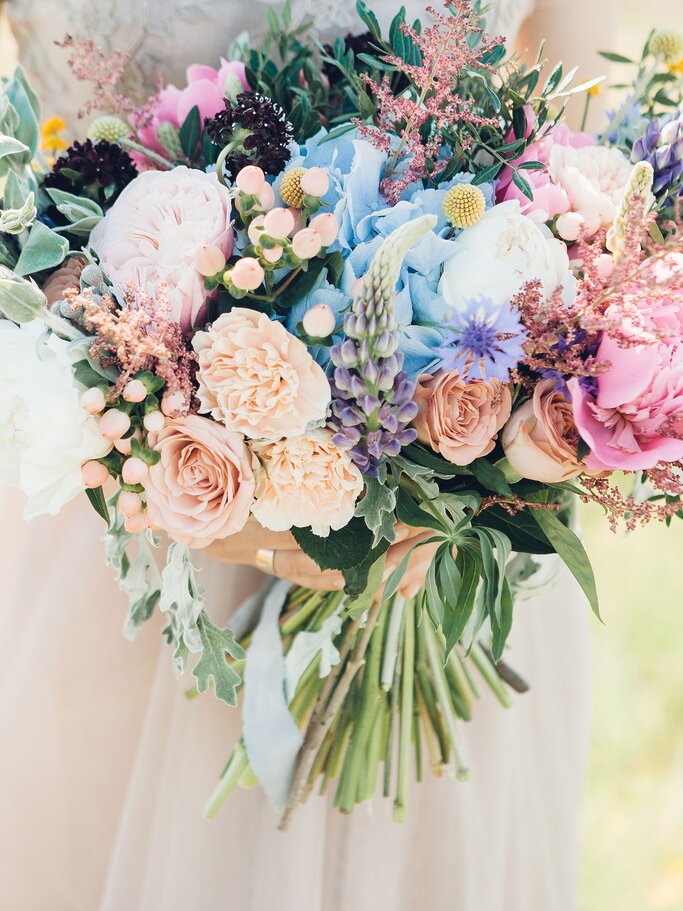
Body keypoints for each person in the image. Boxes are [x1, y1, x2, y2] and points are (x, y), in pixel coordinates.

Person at [0, 1, 616, 908]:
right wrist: (152, 413)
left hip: (454, 534)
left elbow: (606, 133)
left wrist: (481, 436)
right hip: (125, 502)